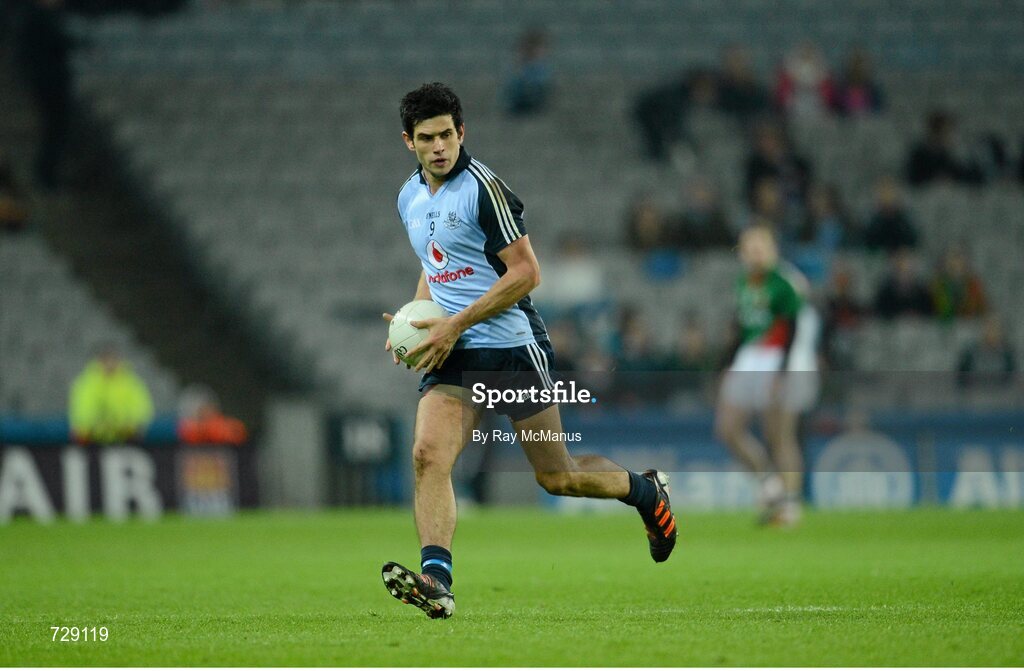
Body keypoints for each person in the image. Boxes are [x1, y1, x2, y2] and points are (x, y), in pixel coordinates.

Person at [380, 83, 677, 619]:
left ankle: (644, 491)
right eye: (428, 138)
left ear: (461, 131)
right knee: (429, 455)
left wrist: (454, 323)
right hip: (456, 353)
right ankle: (437, 579)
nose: (440, 145)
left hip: (512, 349)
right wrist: (415, 321)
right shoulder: (409, 197)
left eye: (448, 134)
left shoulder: (483, 189)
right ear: (409, 142)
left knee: (557, 476)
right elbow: (435, 262)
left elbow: (527, 273)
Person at [715, 227, 820, 528]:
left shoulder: (786, 282)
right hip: (751, 357)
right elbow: (743, 327)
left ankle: (789, 505)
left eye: (760, 245)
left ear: (773, 248)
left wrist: (783, 371)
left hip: (782, 359)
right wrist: (727, 362)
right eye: (749, 247)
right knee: (727, 428)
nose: (755, 252)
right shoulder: (744, 282)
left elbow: (796, 327)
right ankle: (769, 482)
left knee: (780, 435)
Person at [68, 345, 154, 444]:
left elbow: (142, 408)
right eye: (106, 360)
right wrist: (94, 426)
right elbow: (80, 411)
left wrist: (131, 425)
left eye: (113, 359)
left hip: (125, 437)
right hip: (93, 439)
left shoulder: (130, 382)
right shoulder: (87, 383)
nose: (110, 363)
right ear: (99, 361)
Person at [905, 111, 984, 187]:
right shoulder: (919, 155)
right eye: (946, 132)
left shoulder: (949, 156)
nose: (950, 137)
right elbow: (913, 180)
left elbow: (971, 177)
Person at [930, 245, 988, 321]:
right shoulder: (937, 285)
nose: (955, 263)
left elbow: (984, 311)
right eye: (952, 259)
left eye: (959, 258)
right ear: (945, 263)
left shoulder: (973, 285)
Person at [503, 29, 552, 117]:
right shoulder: (516, 66)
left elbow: (542, 85)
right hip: (518, 103)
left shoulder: (542, 67)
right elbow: (510, 87)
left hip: (536, 102)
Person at [957, 314, 1016, 388]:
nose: (991, 332)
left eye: (995, 328)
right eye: (988, 328)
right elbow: (961, 379)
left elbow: (1011, 382)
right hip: (974, 395)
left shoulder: (1008, 355)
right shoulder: (969, 353)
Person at [873, 250, 933, 319]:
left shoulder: (922, 292)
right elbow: (880, 315)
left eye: (907, 267)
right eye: (900, 267)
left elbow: (929, 315)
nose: (903, 269)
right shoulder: (885, 293)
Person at [863, 177, 918, 251]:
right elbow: (868, 243)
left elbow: (912, 241)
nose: (888, 208)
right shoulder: (875, 223)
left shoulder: (903, 223)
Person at [831, 49, 884, 117]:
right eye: (855, 65)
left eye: (860, 65)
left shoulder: (873, 91)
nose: (857, 68)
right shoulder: (841, 90)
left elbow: (878, 110)